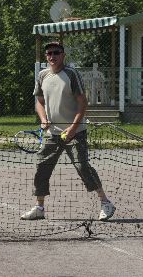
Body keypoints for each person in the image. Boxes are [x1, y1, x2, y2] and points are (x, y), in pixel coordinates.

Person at [20, 40, 116, 222]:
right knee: (42, 168)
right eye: (49, 53)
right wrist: (43, 119)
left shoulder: (71, 74)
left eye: (56, 53)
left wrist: (73, 128)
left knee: (82, 166)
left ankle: (106, 203)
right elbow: (39, 102)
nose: (52, 56)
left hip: (75, 132)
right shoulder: (42, 75)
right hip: (52, 133)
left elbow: (83, 103)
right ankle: (39, 207)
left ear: (63, 55)